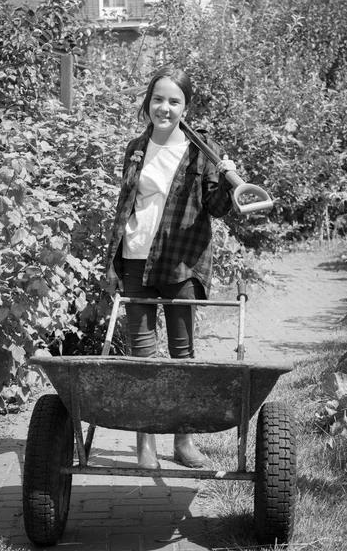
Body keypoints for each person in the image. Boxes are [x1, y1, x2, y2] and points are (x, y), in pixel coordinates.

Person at [105, 65, 235, 470]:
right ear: (148, 102)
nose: (165, 107)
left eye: (174, 100)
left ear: (186, 106)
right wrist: (112, 263)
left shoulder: (204, 151)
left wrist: (230, 180)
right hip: (135, 257)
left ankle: (184, 441)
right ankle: (145, 445)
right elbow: (126, 205)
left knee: (182, 356)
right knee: (142, 358)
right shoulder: (136, 147)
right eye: (158, 98)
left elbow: (216, 209)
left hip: (182, 261)